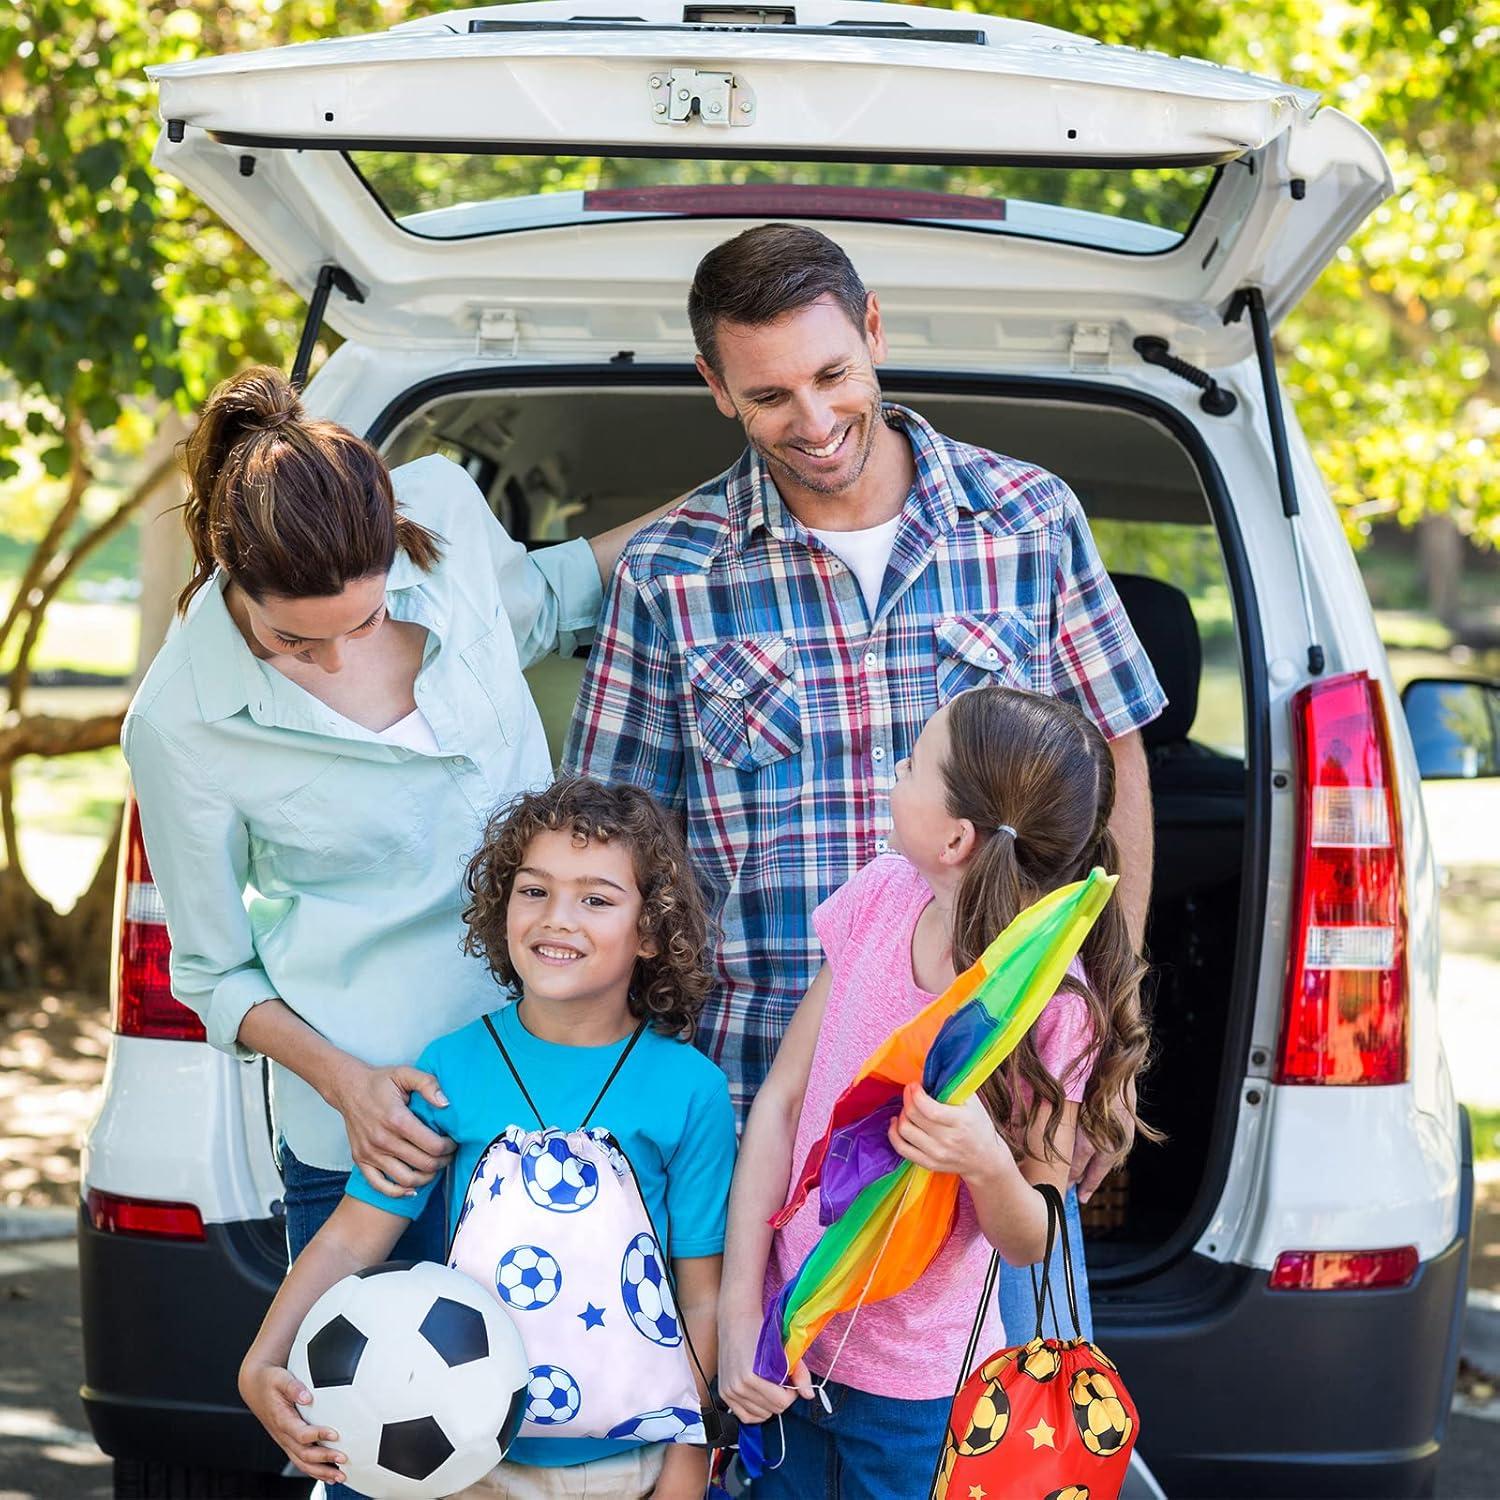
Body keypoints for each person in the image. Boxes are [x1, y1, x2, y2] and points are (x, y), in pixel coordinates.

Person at [563, 223, 1166, 1341]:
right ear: (714, 387)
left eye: (834, 374)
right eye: (770, 394)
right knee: (748, 1415)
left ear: (875, 330)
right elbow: (607, 848)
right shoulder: (672, 573)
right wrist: (600, 1084)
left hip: (987, 1092)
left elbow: (1117, 765)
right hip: (750, 1096)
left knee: (950, 1424)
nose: (816, 420)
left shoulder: (1029, 520)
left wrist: (1100, 1057)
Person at [123, 366, 666, 1276]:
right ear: (229, 575)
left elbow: (532, 604)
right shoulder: (177, 722)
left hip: (559, 1096)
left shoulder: (445, 510)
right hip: (377, 1140)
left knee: (573, 1411)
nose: (334, 663)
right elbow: (214, 975)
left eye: (364, 622)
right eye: (292, 642)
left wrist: (744, 493)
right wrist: (349, 1089)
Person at [238, 776, 738, 1500]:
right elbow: (353, 1239)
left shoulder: (690, 1089)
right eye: (534, 891)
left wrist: (690, 1450)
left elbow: (702, 1297)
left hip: (628, 1468)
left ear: (652, 930)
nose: (557, 919)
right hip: (465, 1465)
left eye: (596, 899)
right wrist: (263, 1356)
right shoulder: (451, 1068)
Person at [716, 685, 1155, 1497]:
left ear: (955, 837)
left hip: (922, 1394)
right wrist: (741, 1315)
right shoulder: (882, 898)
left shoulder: (1052, 1005)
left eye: (912, 763)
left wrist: (987, 1163)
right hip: (790, 1349)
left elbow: (1034, 1237)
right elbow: (781, 1103)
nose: (894, 773)